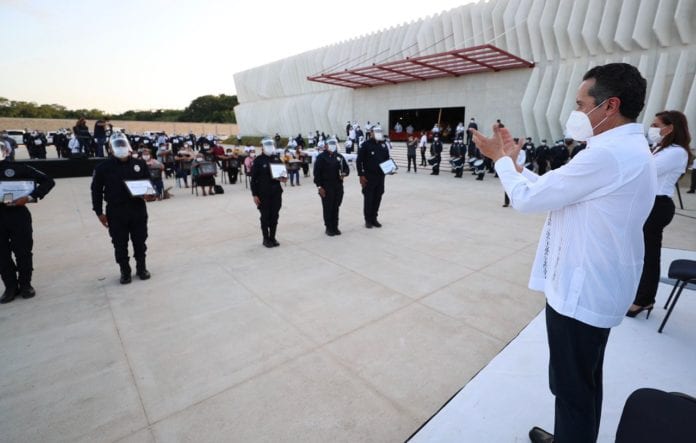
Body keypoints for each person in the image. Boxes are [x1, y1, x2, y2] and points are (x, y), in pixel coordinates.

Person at [473, 63, 656, 443]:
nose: (575, 112)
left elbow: (526, 199)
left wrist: (501, 160)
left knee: (571, 389)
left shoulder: (606, 155)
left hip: (580, 293)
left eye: (580, 103)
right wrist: (516, 163)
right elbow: (555, 190)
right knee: (585, 382)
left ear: (609, 106)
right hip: (595, 285)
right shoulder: (618, 149)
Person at [627, 110, 691, 318]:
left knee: (649, 256)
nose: (652, 129)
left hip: (657, 205)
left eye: (656, 125)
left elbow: (645, 171)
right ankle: (639, 294)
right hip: (647, 203)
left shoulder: (676, 152)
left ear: (670, 127)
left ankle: (644, 300)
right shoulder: (661, 148)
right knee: (640, 253)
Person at [91, 133, 156, 284]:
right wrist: (99, 212)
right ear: (111, 149)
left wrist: (150, 195)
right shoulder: (103, 168)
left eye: (122, 144)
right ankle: (125, 271)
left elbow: (148, 184)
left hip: (137, 209)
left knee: (140, 240)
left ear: (128, 146)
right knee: (119, 243)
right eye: (117, 145)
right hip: (116, 211)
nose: (120, 147)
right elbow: (96, 191)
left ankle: (141, 268)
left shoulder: (140, 164)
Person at [0, 140, 55, 304]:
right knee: (2, 255)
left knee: (23, 252)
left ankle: (25, 285)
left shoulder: (19, 168)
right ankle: (10, 287)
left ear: (7, 151)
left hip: (17, 215)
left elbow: (48, 181)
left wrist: (30, 197)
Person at [251, 138, 285, 247]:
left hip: (276, 192)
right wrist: (255, 194)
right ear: (262, 147)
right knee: (265, 217)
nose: (270, 147)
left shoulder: (276, 158)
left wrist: (283, 178)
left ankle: (273, 238)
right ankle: (266, 239)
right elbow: (253, 179)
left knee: (275, 216)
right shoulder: (258, 160)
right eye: (267, 145)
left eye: (271, 145)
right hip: (263, 193)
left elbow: (282, 174)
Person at [314, 138, 350, 236]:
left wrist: (344, 173)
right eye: (330, 144)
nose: (332, 145)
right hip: (326, 186)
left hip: (338, 185)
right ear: (325, 145)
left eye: (334, 143)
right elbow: (317, 174)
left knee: (336, 206)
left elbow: (346, 169)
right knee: (328, 207)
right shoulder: (321, 158)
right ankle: (329, 227)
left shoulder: (339, 156)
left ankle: (335, 226)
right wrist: (319, 187)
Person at [356, 125, 390, 228]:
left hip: (380, 177)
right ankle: (368, 220)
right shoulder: (365, 145)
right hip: (369, 177)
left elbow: (387, 159)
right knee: (369, 198)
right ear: (371, 133)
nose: (378, 133)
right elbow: (359, 160)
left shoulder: (383, 145)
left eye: (380, 131)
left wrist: (390, 169)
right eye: (376, 131)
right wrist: (361, 175)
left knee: (378, 197)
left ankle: (374, 218)